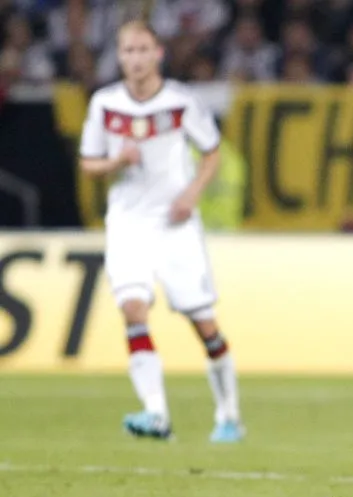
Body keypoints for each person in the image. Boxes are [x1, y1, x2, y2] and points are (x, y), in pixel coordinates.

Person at [78, 20, 242, 443]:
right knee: (133, 309)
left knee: (203, 323)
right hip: (128, 223)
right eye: (127, 51)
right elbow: (88, 163)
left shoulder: (181, 102)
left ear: (158, 54)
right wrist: (115, 162)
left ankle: (228, 415)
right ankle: (156, 414)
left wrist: (191, 195)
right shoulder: (104, 103)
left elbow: (211, 152)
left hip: (175, 224)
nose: (134, 58)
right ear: (119, 56)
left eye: (142, 50)